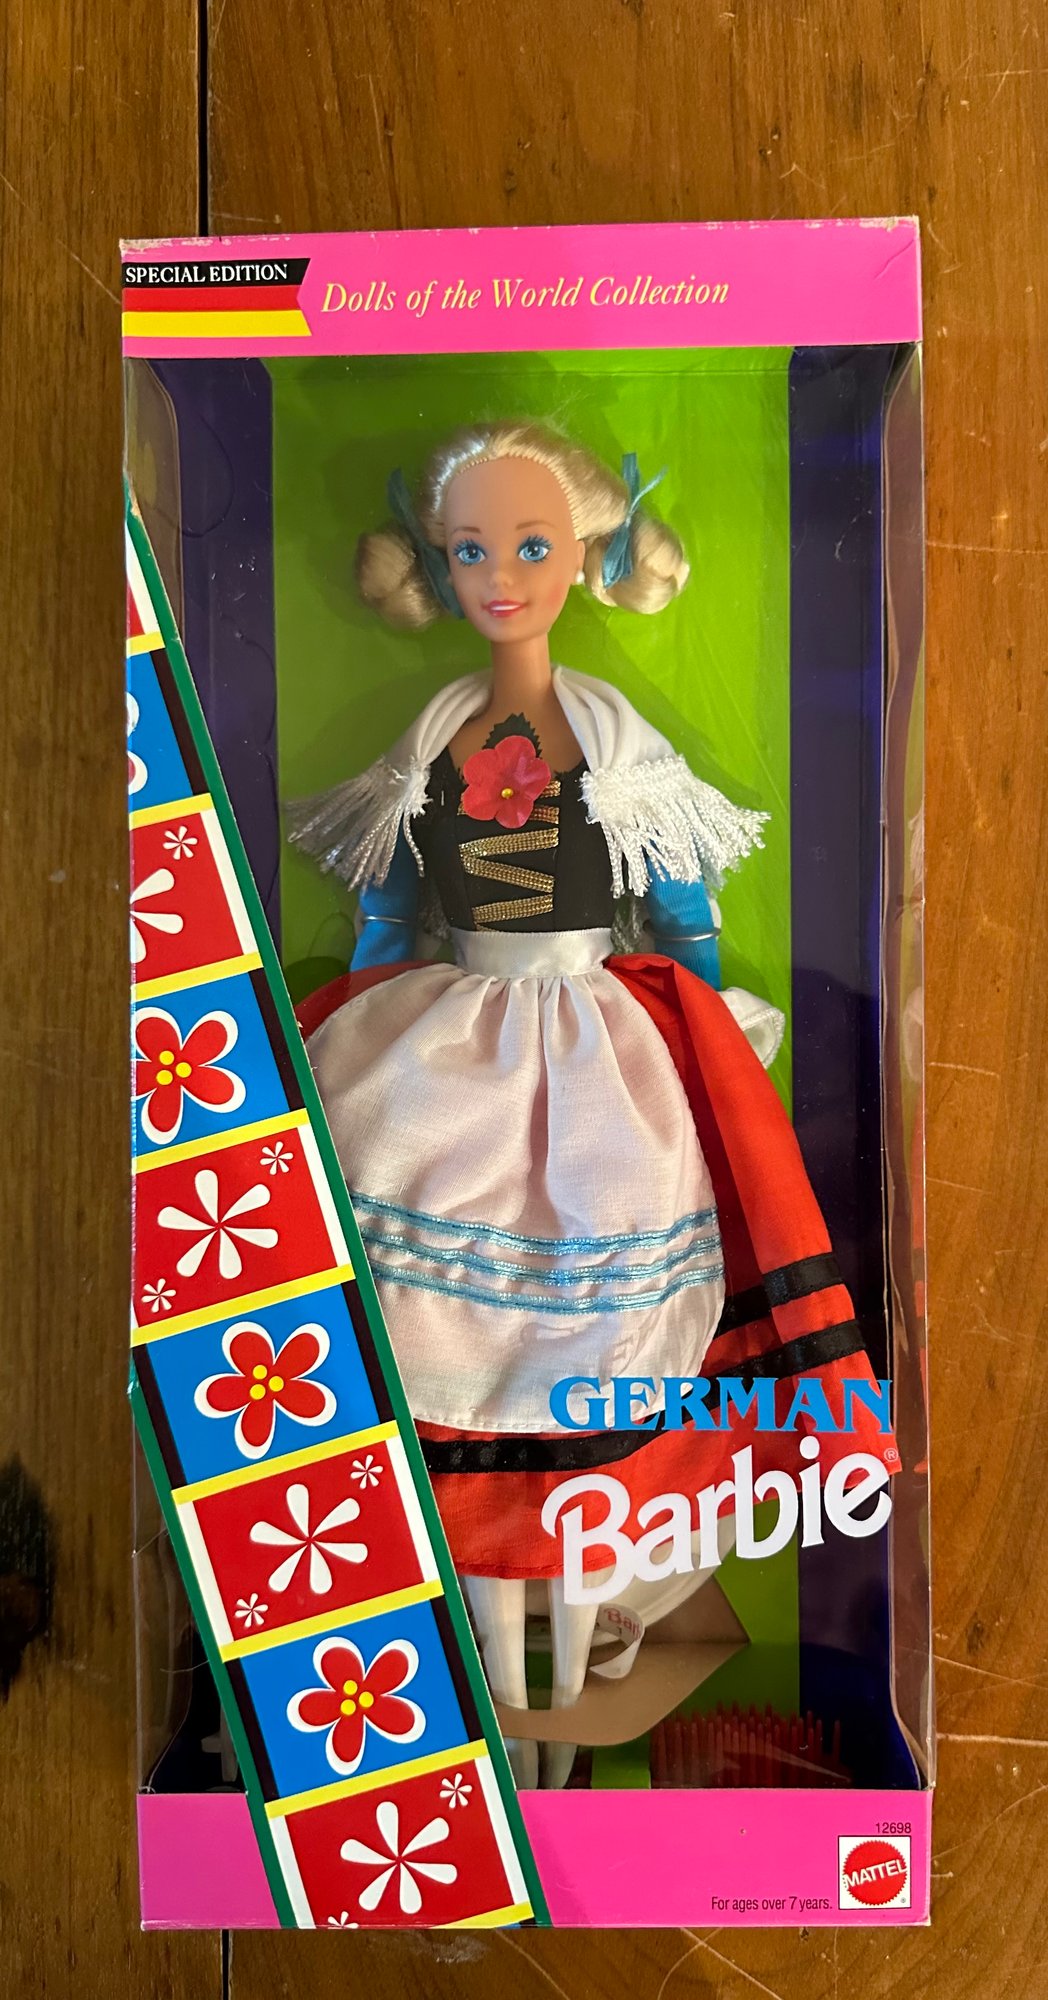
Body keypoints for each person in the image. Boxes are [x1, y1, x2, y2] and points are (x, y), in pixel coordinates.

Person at [290, 421, 897, 1787]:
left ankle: (555, 1657)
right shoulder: (433, 737)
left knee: (598, 1302)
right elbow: (388, 912)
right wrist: (353, 1030)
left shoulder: (614, 739)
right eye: (470, 551)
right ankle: (474, 1650)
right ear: (434, 565)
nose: (501, 577)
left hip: (595, 1046)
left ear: (588, 555)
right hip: (444, 1043)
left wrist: (705, 1033)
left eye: (530, 547)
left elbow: (681, 911)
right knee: (419, 1308)